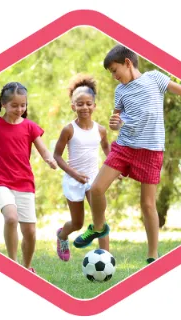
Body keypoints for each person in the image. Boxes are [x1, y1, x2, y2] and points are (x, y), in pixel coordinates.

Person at [73, 45, 181, 264]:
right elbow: (117, 122)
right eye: (110, 72)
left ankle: (152, 256)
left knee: (148, 205)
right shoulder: (120, 91)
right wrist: (115, 123)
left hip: (151, 150)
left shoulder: (155, 78)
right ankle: (98, 228)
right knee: (97, 188)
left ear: (128, 63)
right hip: (125, 146)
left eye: (114, 70)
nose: (113, 76)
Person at [0, 82, 57, 273]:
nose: (19, 109)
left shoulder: (30, 127)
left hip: (24, 182)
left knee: (30, 233)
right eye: (14, 105)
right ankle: (13, 264)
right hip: (1, 181)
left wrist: (50, 160)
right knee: (10, 218)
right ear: (3, 104)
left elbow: (43, 149)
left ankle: (26, 268)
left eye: (23, 105)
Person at [53, 74, 111, 261]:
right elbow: (57, 156)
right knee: (77, 223)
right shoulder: (69, 129)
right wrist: (74, 173)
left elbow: (107, 149)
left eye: (88, 103)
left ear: (94, 105)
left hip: (94, 179)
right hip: (73, 179)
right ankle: (62, 235)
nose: (84, 107)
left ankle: (106, 257)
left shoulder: (100, 130)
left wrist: (113, 168)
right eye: (80, 104)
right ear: (73, 106)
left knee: (99, 219)